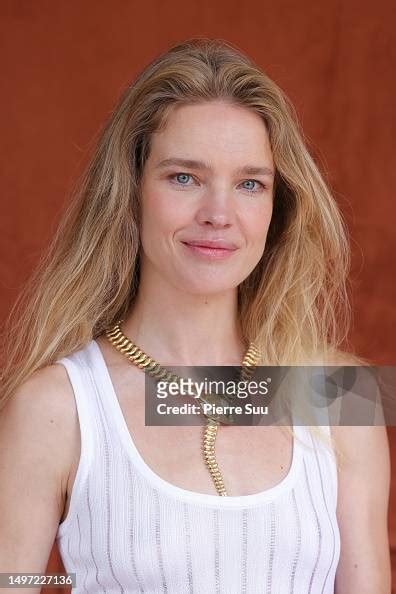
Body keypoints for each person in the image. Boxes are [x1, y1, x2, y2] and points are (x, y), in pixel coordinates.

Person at [0, 38, 391, 593]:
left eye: (250, 183)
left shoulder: (340, 395)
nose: (218, 214)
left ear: (276, 208)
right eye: (184, 177)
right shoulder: (52, 409)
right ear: (130, 190)